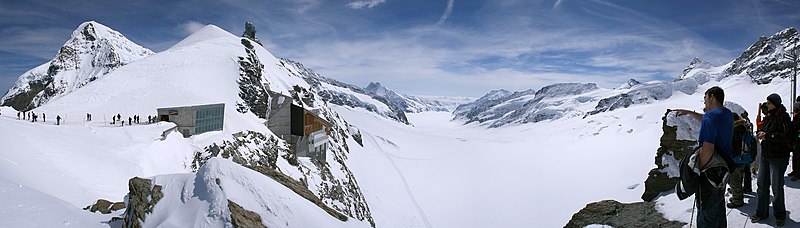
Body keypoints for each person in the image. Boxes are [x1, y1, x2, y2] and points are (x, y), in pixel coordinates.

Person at [674, 86, 734, 227]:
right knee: (718, 209)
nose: (704, 102)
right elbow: (709, 120)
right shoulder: (727, 114)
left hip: (709, 175)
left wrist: (697, 171)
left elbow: (707, 149)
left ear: (712, 96)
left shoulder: (710, 117)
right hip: (723, 171)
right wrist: (689, 113)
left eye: (705, 98)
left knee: (706, 216)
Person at [751, 93, 792, 227]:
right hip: (766, 155)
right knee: (762, 185)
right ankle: (761, 212)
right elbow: (763, 129)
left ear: (775, 103)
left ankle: (780, 215)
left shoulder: (783, 117)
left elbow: (786, 136)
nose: (766, 105)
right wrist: (761, 133)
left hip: (778, 158)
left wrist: (768, 136)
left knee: (776, 187)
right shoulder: (769, 116)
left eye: (769, 103)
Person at [790, 101, 800, 181]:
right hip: (795, 139)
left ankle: (798, 174)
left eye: (795, 109)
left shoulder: (798, 117)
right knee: (795, 156)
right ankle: (795, 171)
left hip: (798, 139)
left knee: (798, 156)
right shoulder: (796, 117)